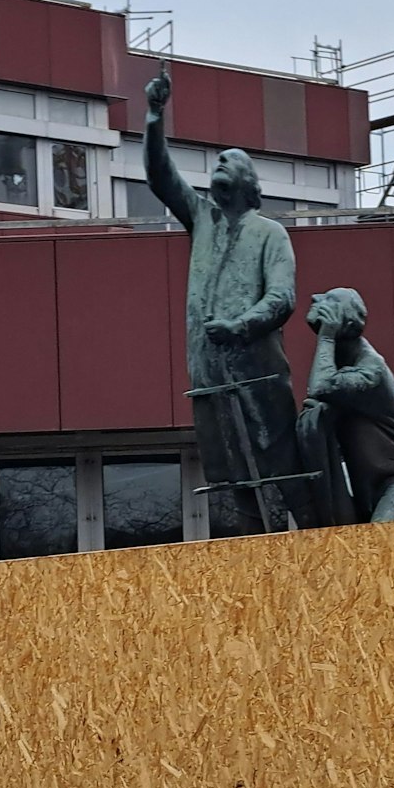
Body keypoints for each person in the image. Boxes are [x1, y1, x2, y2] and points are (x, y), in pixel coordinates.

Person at [144, 69, 306, 534]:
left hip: (257, 371)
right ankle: (244, 551)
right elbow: (160, 176)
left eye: (228, 161)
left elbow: (282, 297)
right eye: (215, 161)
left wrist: (241, 326)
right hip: (208, 372)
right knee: (226, 472)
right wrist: (155, 116)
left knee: (277, 464)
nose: (218, 164)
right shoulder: (202, 219)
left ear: (249, 180)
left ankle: (305, 541)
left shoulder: (269, 233)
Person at [297, 287, 394, 524]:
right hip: (368, 487)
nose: (315, 298)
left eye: (330, 299)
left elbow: (321, 388)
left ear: (347, 320)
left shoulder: (370, 368)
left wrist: (326, 337)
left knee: (375, 543)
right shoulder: (340, 361)